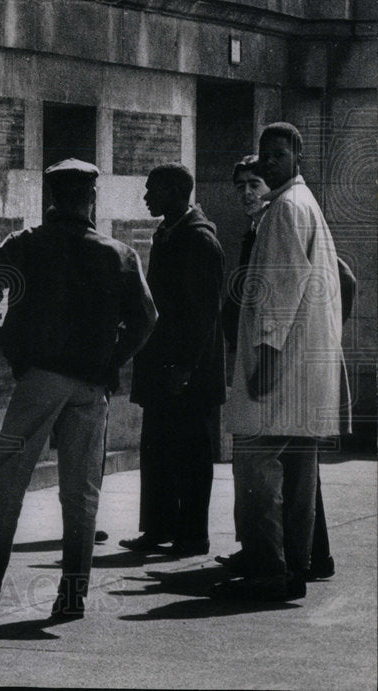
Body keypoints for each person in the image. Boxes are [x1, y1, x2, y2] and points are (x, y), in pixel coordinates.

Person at [0, 160, 157, 619]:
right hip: (92, 386)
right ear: (92, 197)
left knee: (7, 483)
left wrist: (6, 345)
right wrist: (112, 361)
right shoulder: (118, 253)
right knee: (82, 490)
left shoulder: (27, 244)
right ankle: (72, 595)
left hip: (40, 378)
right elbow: (147, 319)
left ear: (51, 197)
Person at [211, 122, 346, 602]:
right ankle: (297, 566)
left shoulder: (286, 209)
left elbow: (279, 294)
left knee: (257, 469)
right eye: (265, 154)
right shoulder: (301, 205)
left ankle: (269, 571)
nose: (269, 162)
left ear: (298, 155)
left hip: (280, 368)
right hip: (304, 370)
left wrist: (264, 361)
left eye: (278, 155)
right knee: (300, 472)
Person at [120, 164, 226, 557]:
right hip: (163, 367)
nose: (146, 197)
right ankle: (158, 528)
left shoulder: (198, 240)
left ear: (177, 191)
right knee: (159, 450)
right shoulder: (169, 232)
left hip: (188, 373)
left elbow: (203, 314)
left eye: (153, 190)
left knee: (191, 455)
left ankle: (192, 535)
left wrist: (184, 366)